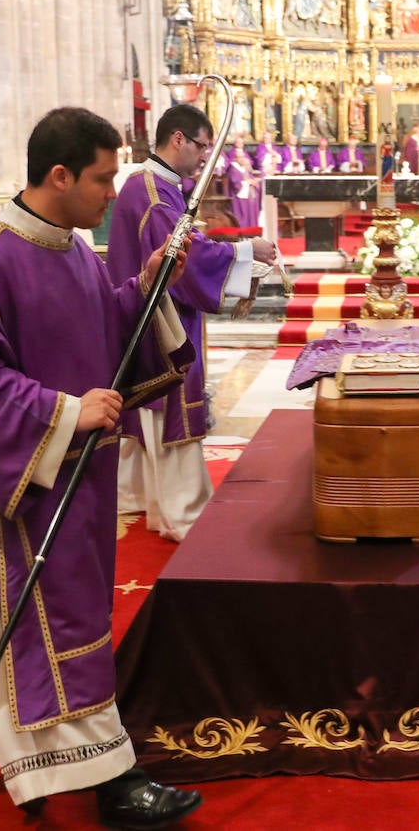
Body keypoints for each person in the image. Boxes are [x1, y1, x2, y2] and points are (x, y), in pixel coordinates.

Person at [0, 106, 203, 825]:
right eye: (101, 178)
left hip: (79, 478)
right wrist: (65, 413)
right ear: (59, 174)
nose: (112, 193)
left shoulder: (70, 247)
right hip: (30, 486)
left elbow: (105, 326)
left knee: (68, 610)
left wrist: (149, 284)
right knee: (56, 622)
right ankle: (111, 779)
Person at [108, 104, 276, 541]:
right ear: (178, 138)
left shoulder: (154, 185)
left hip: (147, 315)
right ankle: (181, 514)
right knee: (169, 406)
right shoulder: (149, 189)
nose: (207, 157)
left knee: (146, 410)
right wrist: (245, 251)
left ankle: (140, 496)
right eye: (202, 146)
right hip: (160, 321)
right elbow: (182, 254)